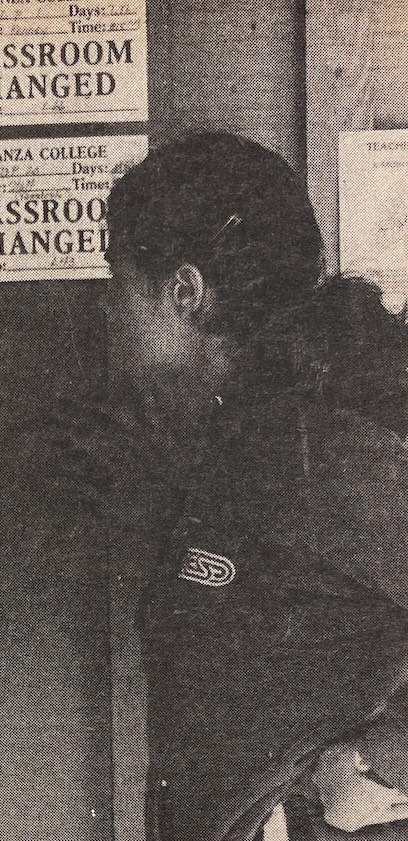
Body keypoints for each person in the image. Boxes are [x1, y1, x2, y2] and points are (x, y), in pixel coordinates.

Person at [99, 133, 408, 840]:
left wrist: (374, 761)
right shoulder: (242, 435)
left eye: (119, 278)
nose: (108, 309)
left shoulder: (319, 445)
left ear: (184, 293)